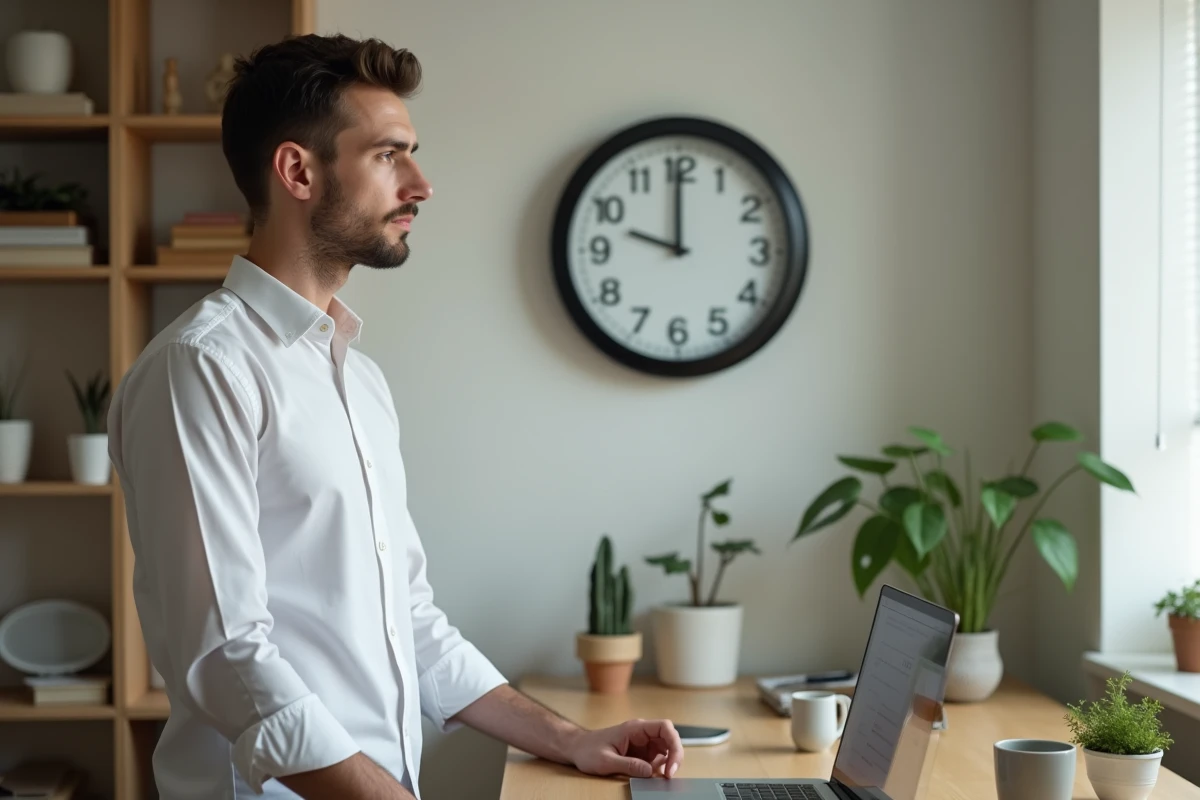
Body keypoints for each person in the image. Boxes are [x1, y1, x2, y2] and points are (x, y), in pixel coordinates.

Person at [107, 33, 684, 800]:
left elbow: (409, 623)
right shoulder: (203, 368)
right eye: (388, 155)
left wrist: (573, 740)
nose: (420, 184)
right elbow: (224, 653)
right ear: (298, 170)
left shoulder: (358, 378)